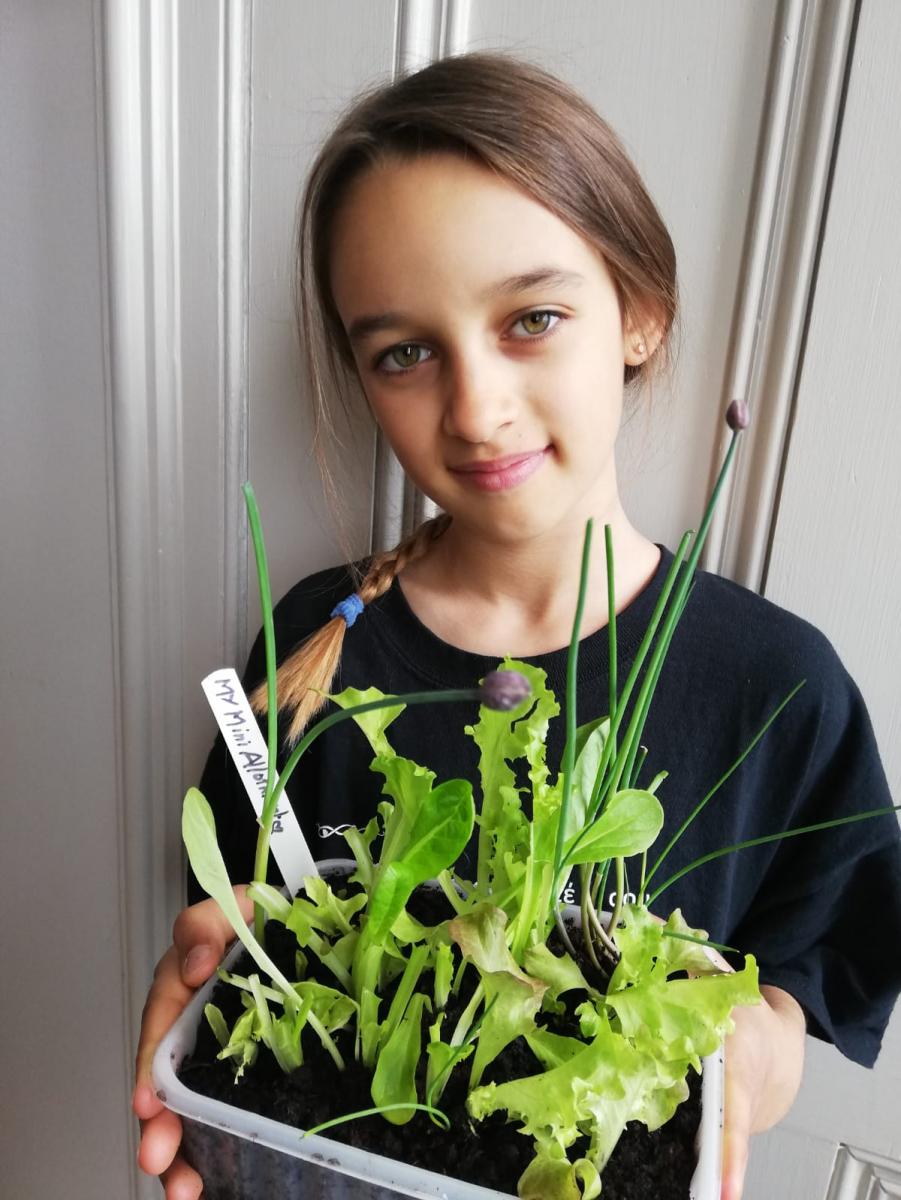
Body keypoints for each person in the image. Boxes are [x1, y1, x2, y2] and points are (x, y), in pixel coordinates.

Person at [132, 51, 900, 1200]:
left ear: (638, 314)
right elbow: (260, 930)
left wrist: (754, 1050)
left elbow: (801, 995)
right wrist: (222, 960)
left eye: (531, 318)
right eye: (404, 352)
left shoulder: (777, 686)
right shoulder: (317, 639)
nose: (476, 406)